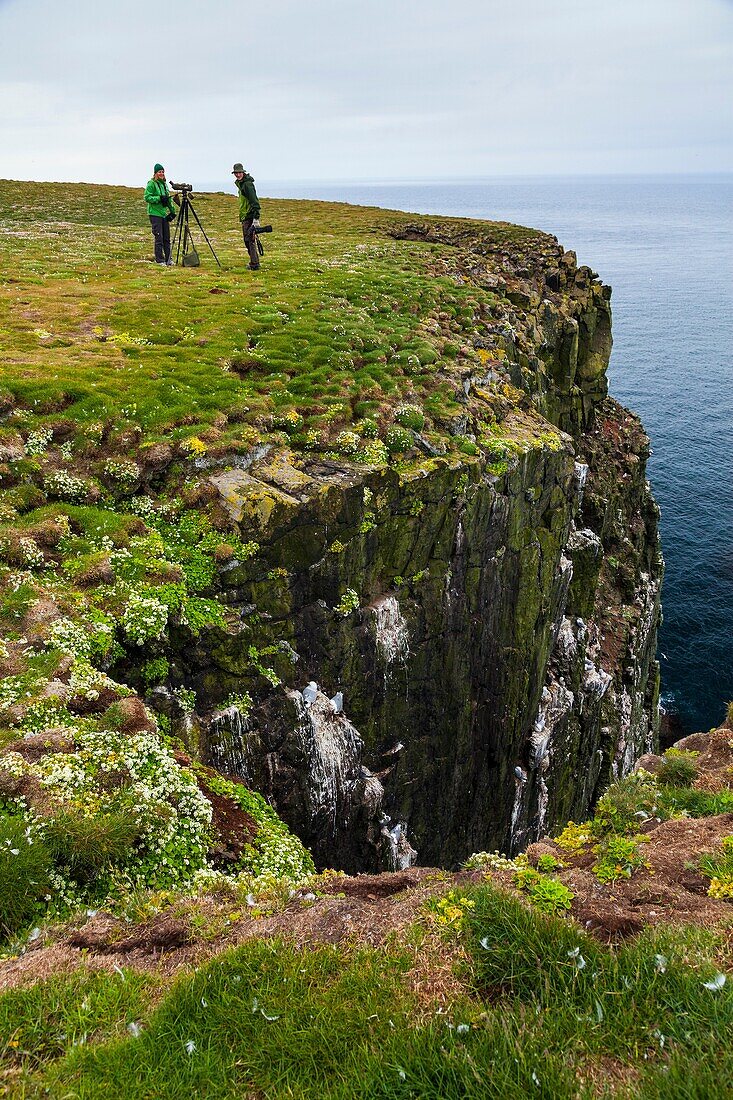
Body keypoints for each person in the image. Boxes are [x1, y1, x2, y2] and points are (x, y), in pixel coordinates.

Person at [232, 162, 262, 270]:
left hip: (249, 216)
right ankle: (254, 262)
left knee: (249, 239)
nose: (238, 175)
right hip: (245, 215)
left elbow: (254, 201)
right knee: (248, 239)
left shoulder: (247, 185)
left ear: (243, 172)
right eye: (236, 173)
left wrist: (256, 218)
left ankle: (254, 264)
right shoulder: (242, 184)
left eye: (239, 172)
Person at [144, 163, 174, 266]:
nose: (161, 173)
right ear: (155, 173)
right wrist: (158, 198)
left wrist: (172, 212)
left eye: (162, 172)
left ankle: (169, 259)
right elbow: (147, 197)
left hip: (163, 214)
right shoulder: (151, 183)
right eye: (159, 172)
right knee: (159, 237)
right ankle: (160, 260)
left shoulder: (164, 185)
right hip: (154, 213)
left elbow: (168, 199)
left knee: (166, 238)